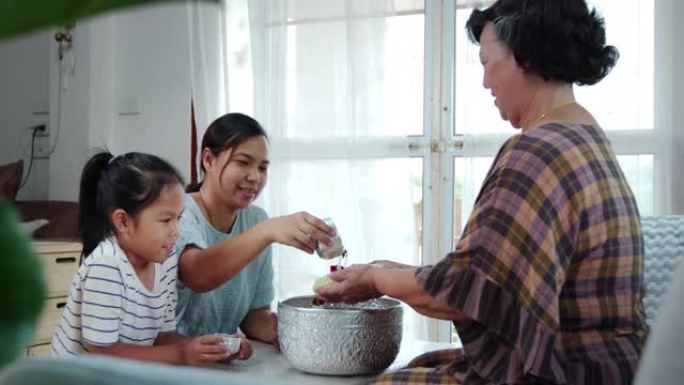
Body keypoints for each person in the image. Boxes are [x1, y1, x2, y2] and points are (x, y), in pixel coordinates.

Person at [317, 0, 647, 384]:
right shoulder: (584, 137)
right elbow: (490, 278)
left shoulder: (538, 151)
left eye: (487, 62)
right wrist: (387, 271)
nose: (485, 81)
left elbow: (466, 295)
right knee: (423, 361)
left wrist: (376, 280)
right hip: (613, 366)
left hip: (564, 371)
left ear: (525, 58)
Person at [51, 152, 251, 365]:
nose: (177, 231)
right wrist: (182, 354)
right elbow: (102, 352)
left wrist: (210, 349)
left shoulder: (165, 261)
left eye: (179, 218)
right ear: (123, 221)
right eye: (166, 220)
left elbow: (160, 337)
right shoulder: (106, 266)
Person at [175, 113, 335, 345]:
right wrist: (266, 231)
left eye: (263, 168)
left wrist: (290, 328)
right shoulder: (180, 212)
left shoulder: (257, 219)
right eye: (243, 162)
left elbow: (253, 316)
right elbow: (197, 274)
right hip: (175, 362)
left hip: (220, 361)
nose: (255, 177)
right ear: (208, 160)